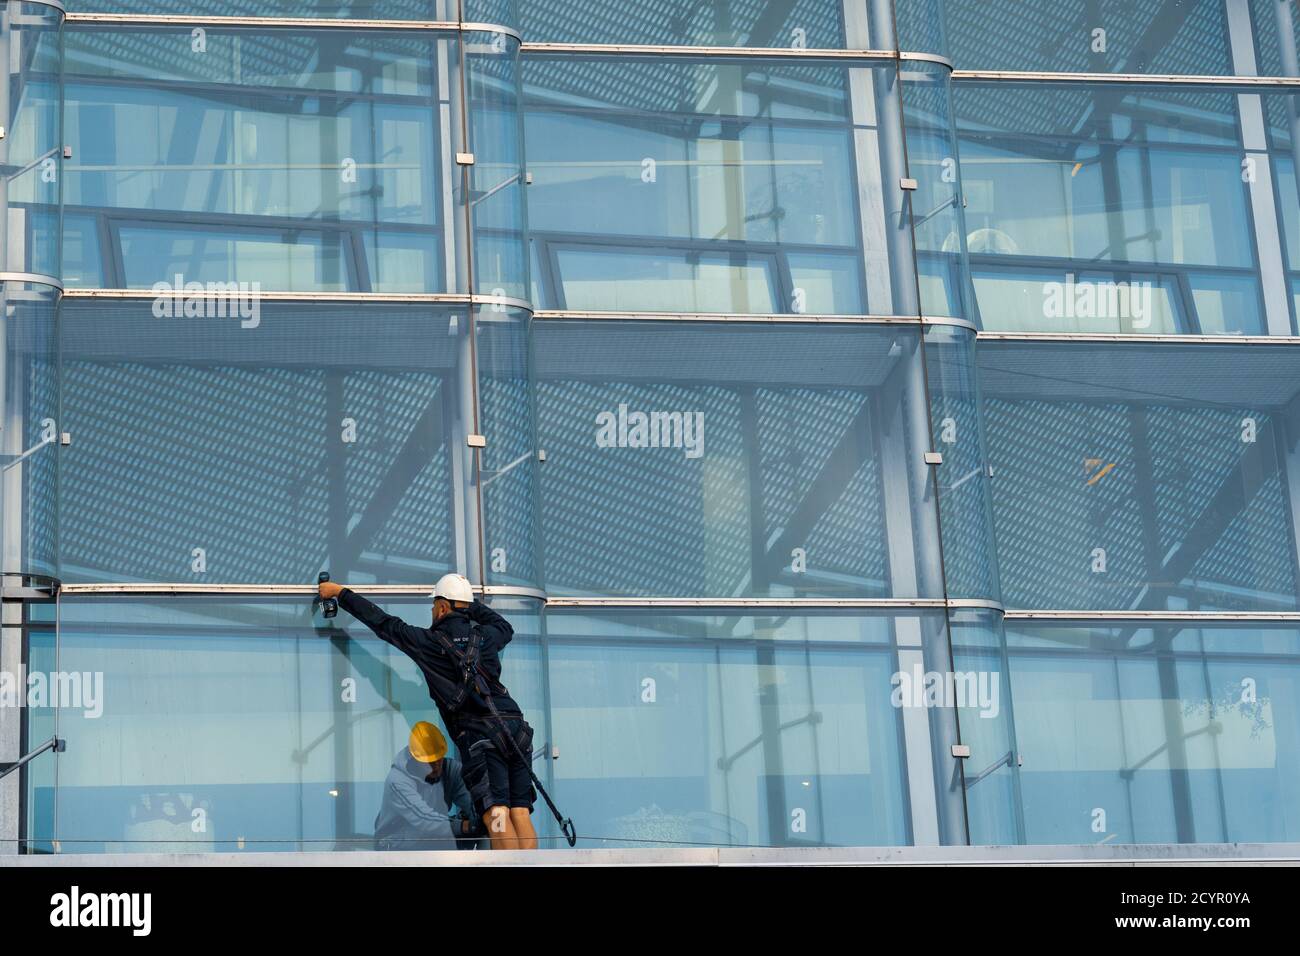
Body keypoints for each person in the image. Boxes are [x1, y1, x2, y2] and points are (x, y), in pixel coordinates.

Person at [319, 573, 539, 850]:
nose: (432, 611)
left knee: (497, 813)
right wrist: (468, 605)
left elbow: (384, 624)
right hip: (516, 728)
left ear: (443, 607)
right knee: (519, 811)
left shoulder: (428, 643)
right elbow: (504, 627)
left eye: (434, 605)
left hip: (482, 736)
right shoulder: (484, 637)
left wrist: (340, 592)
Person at [374, 722, 482, 851]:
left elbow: (473, 803)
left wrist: (481, 819)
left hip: (430, 838)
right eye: (429, 762)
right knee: (452, 829)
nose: (436, 766)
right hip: (394, 844)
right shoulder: (397, 781)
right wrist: (467, 826)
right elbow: (424, 819)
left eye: (439, 759)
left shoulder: (451, 770)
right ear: (415, 758)